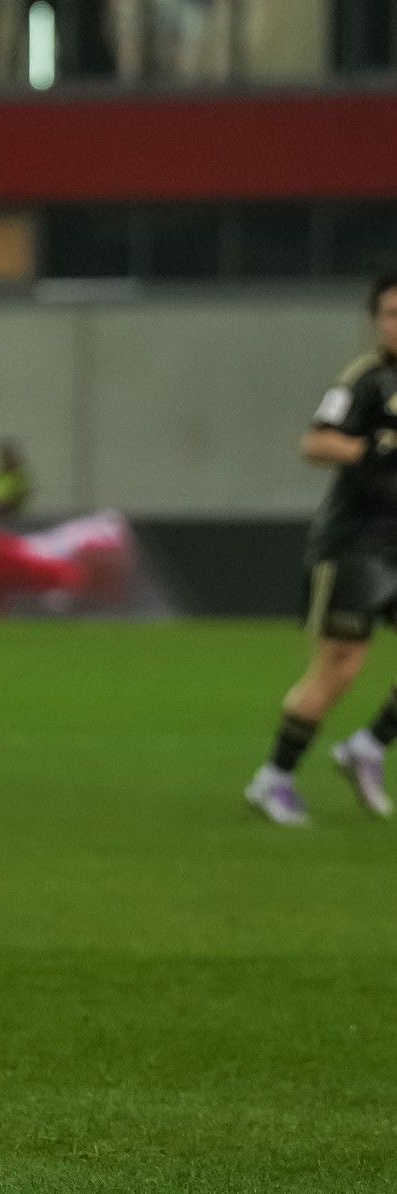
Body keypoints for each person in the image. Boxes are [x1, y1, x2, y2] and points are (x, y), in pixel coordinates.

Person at [245, 272, 397, 826]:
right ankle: (274, 778)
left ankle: (369, 746)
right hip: (357, 547)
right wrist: (368, 450)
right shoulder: (366, 381)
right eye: (388, 313)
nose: (394, 324)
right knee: (340, 666)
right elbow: (315, 441)